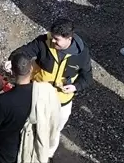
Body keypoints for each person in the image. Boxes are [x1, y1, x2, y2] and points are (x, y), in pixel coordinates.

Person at [9, 18, 92, 155]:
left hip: (62, 102)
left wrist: (75, 87)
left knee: (54, 130)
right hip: (37, 94)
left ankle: (47, 154)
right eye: (52, 37)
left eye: (56, 39)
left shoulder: (82, 54)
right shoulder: (43, 41)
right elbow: (23, 52)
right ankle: (26, 148)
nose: (52, 41)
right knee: (29, 123)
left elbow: (87, 78)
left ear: (69, 38)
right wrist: (13, 60)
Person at [0, 52, 58, 163]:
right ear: (31, 69)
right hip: (33, 142)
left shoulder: (3, 101)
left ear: (12, 72)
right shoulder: (45, 91)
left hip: (9, 148)